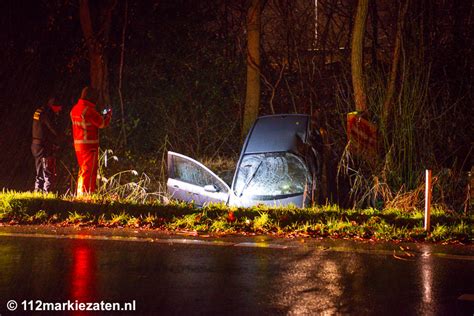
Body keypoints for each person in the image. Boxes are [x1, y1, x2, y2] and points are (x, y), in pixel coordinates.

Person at [70, 87, 112, 196]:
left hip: (78, 145)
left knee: (83, 170)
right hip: (89, 146)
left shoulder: (74, 109)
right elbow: (102, 124)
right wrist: (108, 116)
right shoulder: (89, 110)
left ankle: (80, 193)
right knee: (90, 171)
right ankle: (86, 195)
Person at [31, 97, 63, 193]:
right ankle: (48, 194)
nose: (60, 109)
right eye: (59, 107)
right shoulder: (47, 113)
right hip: (44, 146)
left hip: (36, 145)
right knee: (48, 172)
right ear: (54, 106)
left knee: (40, 171)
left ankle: (37, 193)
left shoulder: (39, 110)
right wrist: (64, 137)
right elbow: (53, 129)